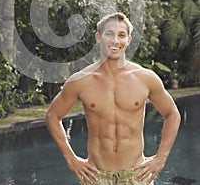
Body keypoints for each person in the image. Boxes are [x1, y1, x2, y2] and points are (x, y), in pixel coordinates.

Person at [45, 12, 181, 185]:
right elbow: (52, 116)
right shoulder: (80, 80)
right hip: (96, 177)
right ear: (98, 37)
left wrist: (161, 158)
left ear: (129, 40)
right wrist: (71, 160)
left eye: (121, 35)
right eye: (109, 34)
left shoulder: (145, 78)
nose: (115, 41)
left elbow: (172, 113)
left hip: (137, 175)